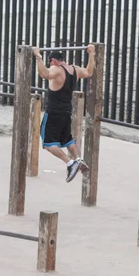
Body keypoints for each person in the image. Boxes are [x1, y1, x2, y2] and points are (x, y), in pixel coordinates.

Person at [33, 44, 96, 183]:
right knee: (67, 140)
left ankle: (70, 163)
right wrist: (91, 54)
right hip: (67, 112)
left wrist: (38, 56)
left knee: (48, 144)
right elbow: (89, 72)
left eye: (50, 62)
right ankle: (78, 159)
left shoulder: (56, 69)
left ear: (53, 61)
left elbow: (44, 74)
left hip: (54, 112)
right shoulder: (75, 69)